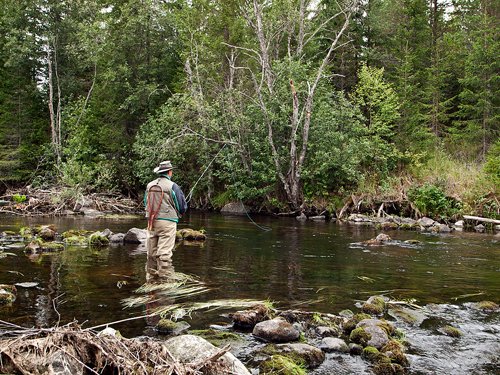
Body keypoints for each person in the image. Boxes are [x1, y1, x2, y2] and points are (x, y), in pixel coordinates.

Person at [145, 160, 187, 266]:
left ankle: (151, 280)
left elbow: (147, 203)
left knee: (151, 254)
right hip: (167, 222)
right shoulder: (173, 186)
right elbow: (181, 207)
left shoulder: (149, 185)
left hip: (151, 221)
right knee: (164, 256)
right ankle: (165, 279)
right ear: (169, 172)